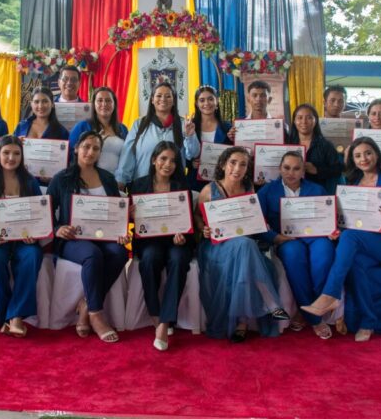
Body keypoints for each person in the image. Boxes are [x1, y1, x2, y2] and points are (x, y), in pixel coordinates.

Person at [302, 137, 381, 342]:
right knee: (355, 261)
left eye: (368, 153)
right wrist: (336, 230)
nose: (363, 158)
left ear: (376, 155)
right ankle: (368, 322)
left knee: (351, 236)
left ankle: (330, 294)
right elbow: (348, 221)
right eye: (357, 155)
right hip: (364, 245)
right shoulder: (351, 184)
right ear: (352, 160)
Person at [194, 147, 290, 342]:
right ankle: (271, 304)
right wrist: (203, 228)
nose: (237, 168)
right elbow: (197, 216)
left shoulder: (248, 189)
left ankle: (242, 322)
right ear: (223, 164)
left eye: (243, 164)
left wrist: (267, 229)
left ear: (248, 168)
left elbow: (253, 220)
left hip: (243, 245)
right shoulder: (209, 190)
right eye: (233, 163)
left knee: (244, 247)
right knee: (245, 247)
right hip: (216, 247)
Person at [48, 131, 130, 343]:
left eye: (95, 148)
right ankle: (95, 314)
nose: (90, 152)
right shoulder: (61, 179)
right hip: (72, 239)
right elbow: (45, 212)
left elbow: (115, 212)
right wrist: (58, 228)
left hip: (104, 237)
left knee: (120, 253)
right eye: (86, 147)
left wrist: (121, 231)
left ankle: (86, 304)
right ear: (76, 149)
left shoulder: (108, 178)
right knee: (92, 255)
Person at [256, 151, 336, 339]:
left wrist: (331, 231)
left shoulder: (317, 190)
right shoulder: (267, 191)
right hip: (286, 239)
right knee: (294, 257)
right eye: (286, 168)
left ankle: (307, 309)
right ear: (280, 169)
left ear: (303, 171)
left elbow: (329, 218)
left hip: (316, 236)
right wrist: (274, 237)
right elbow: (258, 222)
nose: (291, 172)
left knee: (324, 256)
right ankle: (315, 318)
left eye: (296, 168)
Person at [0, 135, 43, 337]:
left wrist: (35, 234)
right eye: (6, 153)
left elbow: (38, 213)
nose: (11, 157)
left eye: (16, 153)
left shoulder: (30, 182)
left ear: (22, 156)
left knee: (33, 256)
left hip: (22, 239)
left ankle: (15, 317)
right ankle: (7, 315)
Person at [128, 142, 192, 351]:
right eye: (163, 159)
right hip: (149, 240)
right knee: (149, 259)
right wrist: (130, 215)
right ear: (154, 160)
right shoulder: (137, 185)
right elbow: (131, 222)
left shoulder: (182, 187)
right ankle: (156, 316)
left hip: (175, 240)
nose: (168, 164)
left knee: (179, 259)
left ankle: (164, 323)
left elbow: (187, 223)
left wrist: (183, 235)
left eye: (173, 161)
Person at [116, 82, 199, 188]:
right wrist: (121, 181)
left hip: (174, 187)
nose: (163, 99)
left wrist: (190, 136)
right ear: (152, 100)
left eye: (168, 96)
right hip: (142, 185)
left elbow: (192, 154)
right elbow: (128, 154)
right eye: (159, 95)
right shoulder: (139, 124)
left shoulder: (184, 124)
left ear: (174, 101)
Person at [68, 87, 128, 174]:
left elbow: (128, 157)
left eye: (108, 100)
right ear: (93, 104)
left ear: (114, 104)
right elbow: (70, 154)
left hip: (115, 182)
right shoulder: (82, 126)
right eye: (100, 100)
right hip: (87, 180)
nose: (104, 104)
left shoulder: (123, 129)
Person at [287, 103, 343, 194]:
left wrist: (317, 170)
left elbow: (338, 169)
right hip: (291, 193)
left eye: (309, 118)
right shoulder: (287, 144)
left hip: (317, 193)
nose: (304, 122)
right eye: (299, 118)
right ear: (294, 121)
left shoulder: (325, 145)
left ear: (315, 120)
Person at [187, 85, 231, 191]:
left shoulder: (227, 127)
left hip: (221, 182)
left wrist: (233, 139)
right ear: (197, 104)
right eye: (202, 100)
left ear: (216, 102)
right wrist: (191, 163)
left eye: (210, 99)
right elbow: (181, 152)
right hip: (195, 182)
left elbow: (233, 154)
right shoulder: (189, 126)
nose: (206, 103)